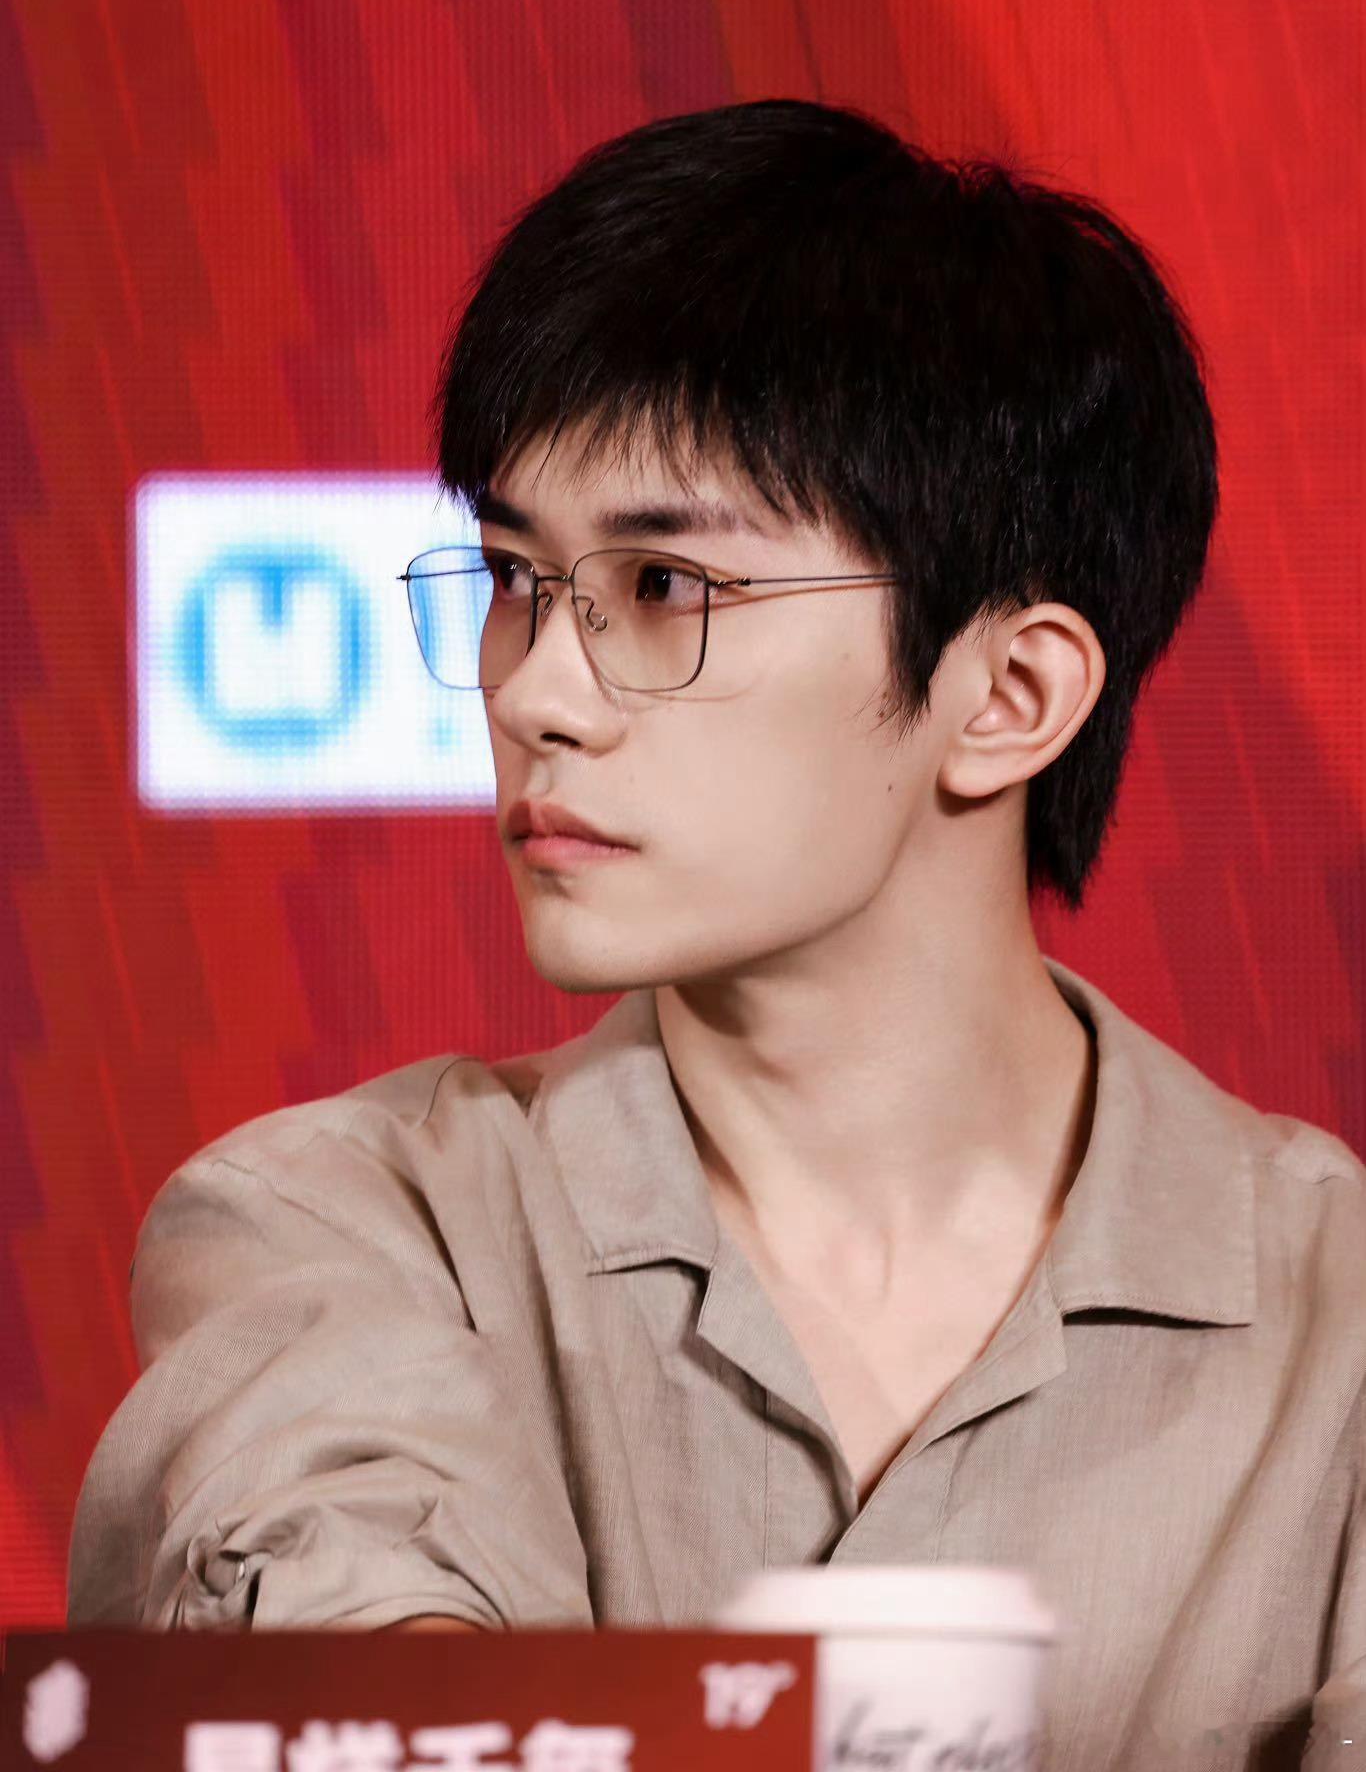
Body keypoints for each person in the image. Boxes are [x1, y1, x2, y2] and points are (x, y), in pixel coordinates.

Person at [69, 100, 1363, 1767]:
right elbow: (350, 1638)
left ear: (1007, 694)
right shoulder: (346, 1224)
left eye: (665, 590)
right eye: (517, 581)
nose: (536, 693)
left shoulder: (1334, 1314)